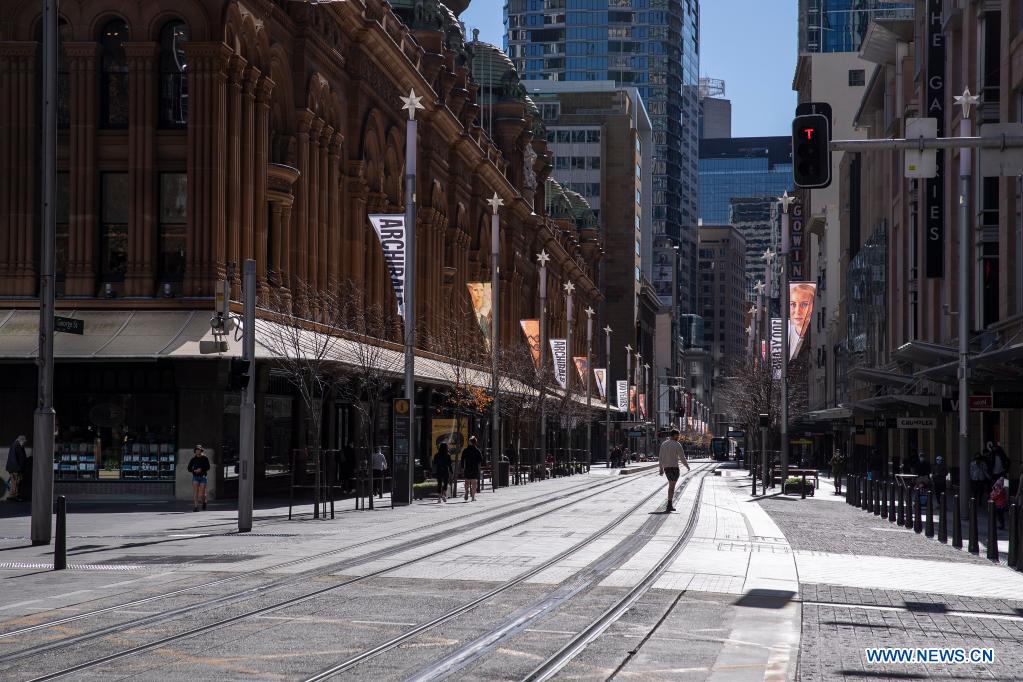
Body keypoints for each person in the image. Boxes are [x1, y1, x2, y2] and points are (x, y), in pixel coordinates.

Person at [658, 428, 690, 512]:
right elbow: (682, 458)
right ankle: (669, 505)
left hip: (667, 468)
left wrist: (661, 468)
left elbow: (660, 457)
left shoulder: (664, 444)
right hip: (674, 468)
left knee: (671, 486)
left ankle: (669, 504)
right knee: (672, 487)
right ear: (673, 435)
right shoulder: (677, 444)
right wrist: (687, 466)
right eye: (677, 436)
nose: (678, 437)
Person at [187, 445, 211, 512]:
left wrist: (201, 469)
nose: (197, 451)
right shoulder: (193, 459)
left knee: (202, 493)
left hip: (203, 477)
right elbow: (189, 468)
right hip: (195, 477)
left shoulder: (205, 458)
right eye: (196, 450)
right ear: (195, 451)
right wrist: (194, 470)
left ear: (201, 450)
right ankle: (196, 507)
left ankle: (204, 502)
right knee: (196, 492)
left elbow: (208, 467)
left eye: (199, 450)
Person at [461, 436, 483, 502]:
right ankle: (473, 497)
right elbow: (481, 459)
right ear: (475, 442)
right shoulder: (477, 450)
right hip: (474, 468)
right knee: (474, 483)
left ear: (469, 442)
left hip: (467, 468)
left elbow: (462, 459)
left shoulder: (465, 450)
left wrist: (462, 467)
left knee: (467, 481)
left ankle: (466, 491)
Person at [5, 435, 27, 502]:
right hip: (15, 468)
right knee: (16, 482)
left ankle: (13, 495)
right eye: (24, 442)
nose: (24, 443)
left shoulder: (18, 445)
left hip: (15, 468)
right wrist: (17, 468)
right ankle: (14, 496)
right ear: (21, 440)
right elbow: (13, 458)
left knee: (15, 482)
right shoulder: (16, 445)